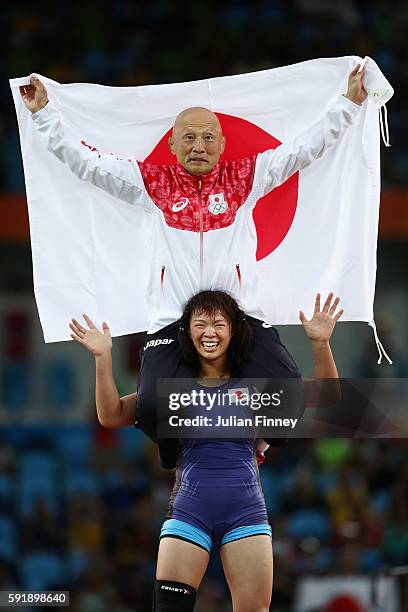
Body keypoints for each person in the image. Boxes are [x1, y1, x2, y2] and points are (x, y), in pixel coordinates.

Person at [21, 69, 365, 464]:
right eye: (188, 137)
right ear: (171, 145)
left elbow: (304, 148)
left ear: (221, 144)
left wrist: (349, 103)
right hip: (173, 320)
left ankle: (263, 442)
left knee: (286, 392)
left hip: (241, 317)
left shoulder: (246, 177)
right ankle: (174, 449)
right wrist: (43, 114)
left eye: (206, 137)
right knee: (151, 405)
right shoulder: (152, 184)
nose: (197, 145)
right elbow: (86, 164)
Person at [69, 290, 342, 611]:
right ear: (187, 332)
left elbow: (328, 396)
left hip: (246, 515)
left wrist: (321, 344)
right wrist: (103, 359)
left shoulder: (256, 387)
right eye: (200, 324)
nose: (209, 333)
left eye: (218, 324)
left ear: (233, 331)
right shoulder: (171, 392)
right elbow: (111, 415)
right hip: (189, 514)